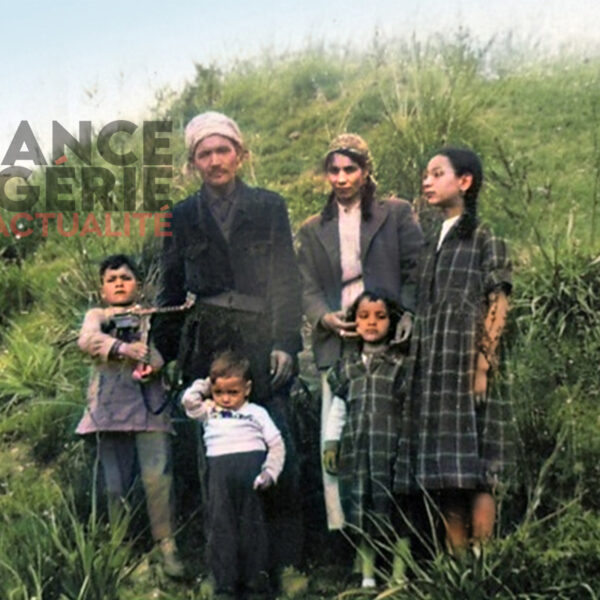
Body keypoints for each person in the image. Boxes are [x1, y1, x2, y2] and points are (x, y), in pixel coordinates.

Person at [153, 111, 305, 594]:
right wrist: (162, 351)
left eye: (223, 150)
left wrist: (285, 341)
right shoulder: (178, 216)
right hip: (207, 342)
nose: (215, 161)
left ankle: (284, 564)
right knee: (212, 459)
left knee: (276, 441)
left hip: (261, 340)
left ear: (240, 154)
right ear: (193, 162)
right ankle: (225, 570)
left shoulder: (269, 206)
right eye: (204, 153)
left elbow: (286, 279)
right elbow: (171, 290)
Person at [296, 133, 424, 529]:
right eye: (333, 170)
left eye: (350, 169)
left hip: (387, 332)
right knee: (336, 431)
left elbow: (416, 268)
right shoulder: (314, 227)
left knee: (392, 431)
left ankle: (400, 531)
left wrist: (405, 314)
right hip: (338, 335)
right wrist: (324, 317)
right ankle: (348, 531)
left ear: (366, 171)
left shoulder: (396, 213)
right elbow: (305, 285)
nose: (341, 178)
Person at [394, 147, 513, 554]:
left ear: (464, 182)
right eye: (425, 174)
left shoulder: (484, 236)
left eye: (437, 173)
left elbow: (498, 300)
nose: (427, 181)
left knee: (478, 465)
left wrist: (484, 361)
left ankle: (484, 561)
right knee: (448, 468)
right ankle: (456, 566)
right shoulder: (431, 242)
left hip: (467, 360)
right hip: (434, 363)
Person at [75, 254, 184, 578]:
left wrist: (153, 363)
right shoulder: (98, 315)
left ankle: (167, 546)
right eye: (112, 279)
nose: (119, 283)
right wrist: (123, 349)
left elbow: (163, 352)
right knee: (114, 483)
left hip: (148, 406)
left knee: (157, 478)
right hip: (108, 409)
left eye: (126, 277)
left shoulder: (151, 315)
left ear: (139, 284)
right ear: (102, 289)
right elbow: (87, 340)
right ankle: (119, 548)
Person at [323, 291, 411, 589]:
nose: (371, 322)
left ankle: (399, 577)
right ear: (353, 323)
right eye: (363, 316)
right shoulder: (346, 368)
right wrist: (331, 444)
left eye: (380, 316)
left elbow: (410, 408)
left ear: (392, 321)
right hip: (357, 453)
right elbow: (337, 410)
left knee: (399, 515)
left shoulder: (400, 365)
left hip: (393, 454)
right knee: (361, 514)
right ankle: (368, 578)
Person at [181, 351, 285, 600]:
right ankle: (225, 587)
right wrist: (206, 384)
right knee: (222, 528)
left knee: (253, 530)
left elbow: (277, 444)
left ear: (247, 389)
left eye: (233, 392)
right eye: (220, 392)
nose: (225, 399)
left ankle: (255, 587)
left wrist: (270, 472)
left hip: (251, 474)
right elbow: (188, 401)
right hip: (220, 473)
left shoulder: (257, 413)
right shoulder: (209, 410)